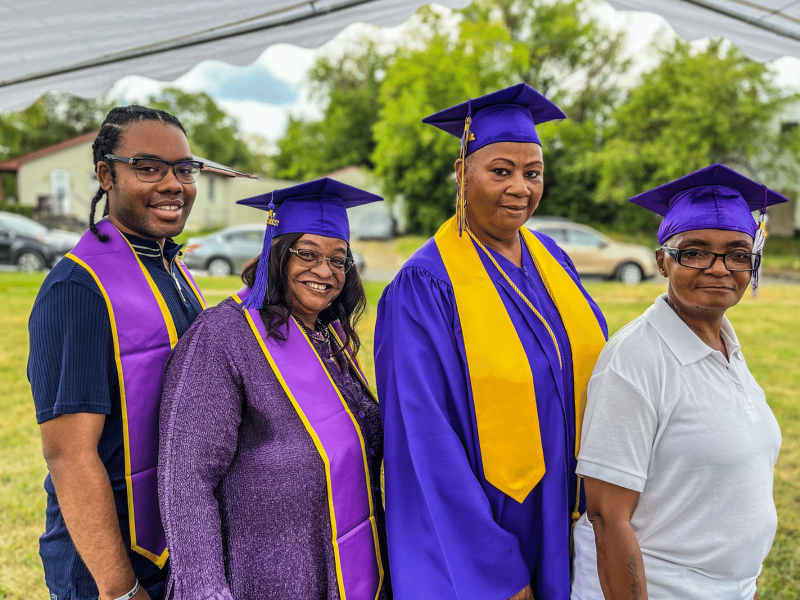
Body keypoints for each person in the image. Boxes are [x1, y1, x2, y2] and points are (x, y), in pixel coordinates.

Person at [374, 83, 608, 600]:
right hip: (491, 529)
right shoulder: (425, 286)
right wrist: (491, 570)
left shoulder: (551, 259)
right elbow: (425, 443)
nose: (520, 187)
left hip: (569, 512)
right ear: (462, 174)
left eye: (532, 173)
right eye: (500, 170)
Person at [158, 178, 390, 600]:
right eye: (308, 254)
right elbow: (187, 479)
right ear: (276, 254)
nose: (325, 271)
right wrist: (204, 590)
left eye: (339, 260)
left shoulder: (331, 335)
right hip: (266, 576)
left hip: (345, 569)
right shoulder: (224, 336)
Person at [571, 164, 785, 600]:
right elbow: (607, 516)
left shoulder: (726, 346)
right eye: (695, 251)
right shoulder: (636, 360)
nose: (719, 267)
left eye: (738, 253)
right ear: (662, 262)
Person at [28, 106, 207, 600]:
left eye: (184, 169)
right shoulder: (78, 288)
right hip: (110, 562)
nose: (173, 183)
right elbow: (69, 453)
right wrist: (119, 588)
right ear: (107, 175)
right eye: (148, 167)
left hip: (179, 542)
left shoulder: (171, 268)